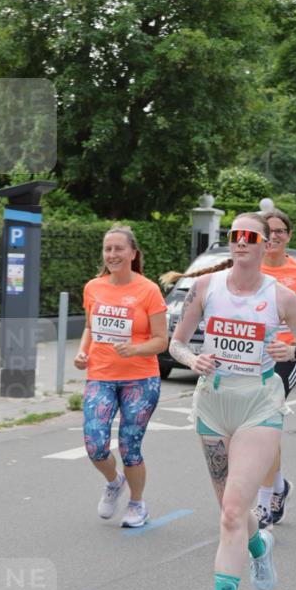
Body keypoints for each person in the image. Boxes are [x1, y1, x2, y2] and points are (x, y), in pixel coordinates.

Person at [168, 212, 296, 590]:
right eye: (233, 236)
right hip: (213, 405)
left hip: (258, 403)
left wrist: (291, 349)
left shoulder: (282, 296)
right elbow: (175, 342)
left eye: (249, 237)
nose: (240, 243)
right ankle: (260, 546)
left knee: (233, 511)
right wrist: (191, 359)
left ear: (264, 246)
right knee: (231, 511)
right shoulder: (206, 287)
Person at [74, 225, 167, 528]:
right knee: (95, 444)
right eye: (108, 249)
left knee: (129, 445)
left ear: (133, 253)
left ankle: (137, 504)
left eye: (118, 249)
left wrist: (136, 349)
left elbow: (161, 340)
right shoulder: (94, 287)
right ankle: (114, 482)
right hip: (100, 374)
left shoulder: (148, 290)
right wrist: (82, 351)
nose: (112, 254)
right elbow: (90, 326)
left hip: (140, 378)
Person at [254, 208, 296, 527]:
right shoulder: (248, 269)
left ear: (289, 236)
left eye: (280, 231)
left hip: (286, 354)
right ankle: (280, 485)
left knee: (266, 424)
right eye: (268, 230)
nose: (274, 236)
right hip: (251, 356)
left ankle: (265, 503)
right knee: (255, 428)